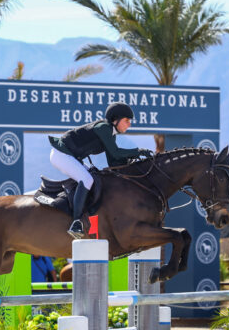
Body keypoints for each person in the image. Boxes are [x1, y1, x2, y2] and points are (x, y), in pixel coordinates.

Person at [49, 102, 153, 239]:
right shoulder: (103, 128)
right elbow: (116, 152)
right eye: (126, 120)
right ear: (115, 120)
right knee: (87, 179)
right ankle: (76, 222)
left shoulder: (111, 133)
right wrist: (138, 151)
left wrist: (135, 165)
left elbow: (114, 161)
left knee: (94, 177)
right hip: (61, 154)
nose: (129, 124)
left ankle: (88, 218)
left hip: (70, 156)